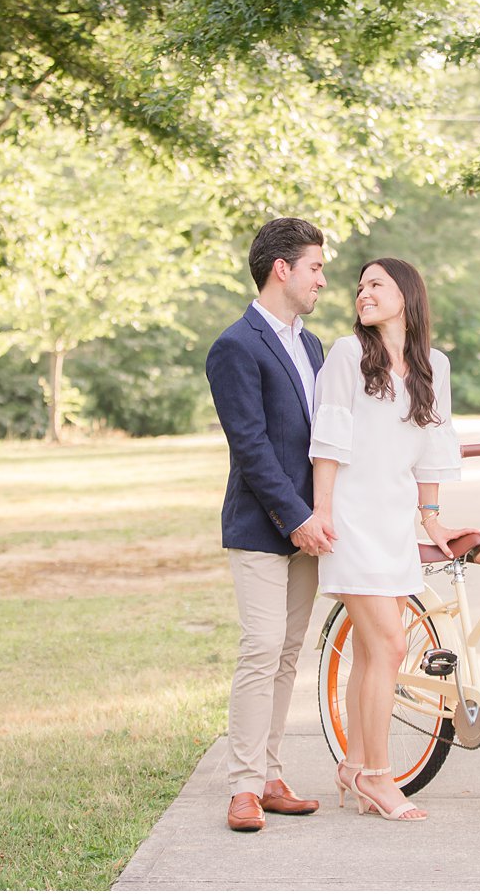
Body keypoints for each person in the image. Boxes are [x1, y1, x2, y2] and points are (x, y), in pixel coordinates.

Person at [309, 257, 475, 822]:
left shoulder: (435, 365)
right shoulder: (347, 354)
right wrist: (322, 514)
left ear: (406, 293)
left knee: (369, 651)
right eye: (359, 287)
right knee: (390, 647)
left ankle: (355, 768)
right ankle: (381, 779)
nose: (362, 293)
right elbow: (327, 438)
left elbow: (433, 448)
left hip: (394, 524)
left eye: (375, 284)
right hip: (350, 522)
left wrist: (433, 521)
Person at [205, 218, 336, 833]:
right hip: (262, 527)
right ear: (281, 268)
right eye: (315, 266)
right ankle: (242, 788)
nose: (322, 279)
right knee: (260, 648)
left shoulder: (312, 347)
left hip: (310, 532)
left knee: (286, 655)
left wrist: (323, 518)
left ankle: (272, 774)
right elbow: (251, 448)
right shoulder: (235, 346)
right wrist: (297, 519)